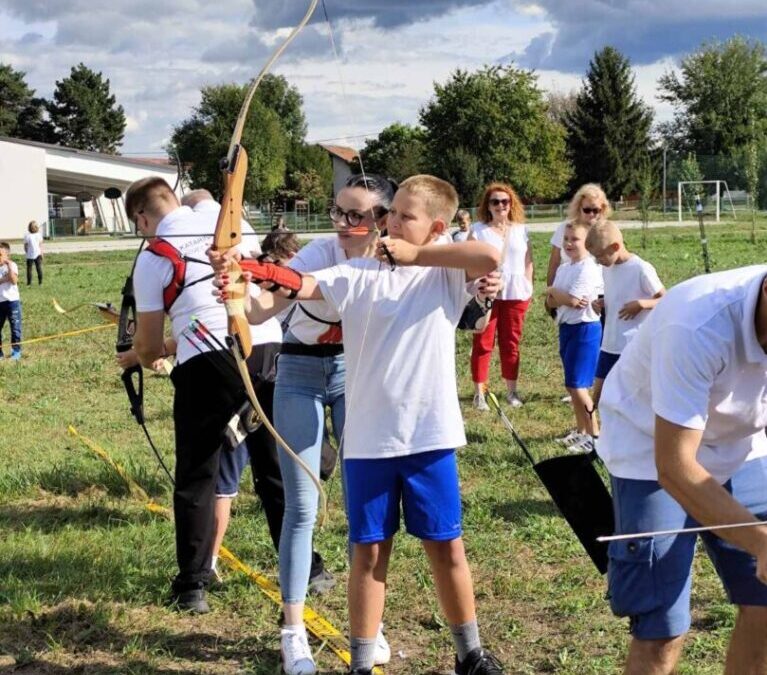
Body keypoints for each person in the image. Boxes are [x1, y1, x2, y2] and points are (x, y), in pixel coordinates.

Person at [210, 174, 506, 675]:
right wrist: (244, 272)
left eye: (404, 216)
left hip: (430, 436)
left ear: (435, 228)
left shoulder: (444, 273)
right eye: (391, 215)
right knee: (368, 553)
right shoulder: (358, 274)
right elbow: (300, 284)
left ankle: (469, 652)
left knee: (447, 547)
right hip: (369, 442)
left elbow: (489, 258)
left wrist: (416, 256)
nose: (390, 222)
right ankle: (361, 663)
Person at [124, 176, 286, 615]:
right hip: (267, 347)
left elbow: (150, 342)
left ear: (142, 216)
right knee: (272, 465)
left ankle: (192, 583)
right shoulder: (224, 217)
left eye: (139, 224)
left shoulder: (154, 255)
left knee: (198, 472)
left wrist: (145, 355)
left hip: (210, 360)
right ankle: (305, 568)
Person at [597, 265, 767, 675]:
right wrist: (762, 543)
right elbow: (674, 467)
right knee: (661, 629)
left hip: (740, 443)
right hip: (650, 447)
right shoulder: (698, 323)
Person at [585, 221, 665, 407]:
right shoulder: (608, 267)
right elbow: (617, 294)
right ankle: (592, 432)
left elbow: (665, 299)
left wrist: (641, 304)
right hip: (609, 343)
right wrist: (603, 303)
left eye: (599, 256)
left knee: (631, 396)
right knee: (598, 396)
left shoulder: (640, 269)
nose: (598, 261)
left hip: (632, 345)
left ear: (615, 247)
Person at [468, 183, 533, 410]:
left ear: (511, 204)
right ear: (488, 205)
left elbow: (528, 260)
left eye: (505, 201)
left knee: (511, 343)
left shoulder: (521, 229)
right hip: (489, 292)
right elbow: (470, 262)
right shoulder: (478, 230)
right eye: (495, 201)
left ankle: (512, 391)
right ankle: (479, 393)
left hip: (516, 294)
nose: (500, 206)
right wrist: (477, 285)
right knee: (483, 343)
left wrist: (528, 284)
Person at [545, 221, 603, 449]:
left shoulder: (588, 268)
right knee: (571, 385)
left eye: (574, 239)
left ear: (587, 243)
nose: (568, 243)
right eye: (566, 239)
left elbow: (574, 301)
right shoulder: (564, 268)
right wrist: (554, 293)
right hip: (566, 327)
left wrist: (554, 293)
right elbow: (552, 301)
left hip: (584, 330)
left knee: (579, 387)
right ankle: (581, 431)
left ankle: (594, 436)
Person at [0, 242, 22, 360]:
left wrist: (8, 268)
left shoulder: (12, 265)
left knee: (15, 327)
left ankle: (16, 351)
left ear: (7, 255)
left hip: (12, 302)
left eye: (0, 254)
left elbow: (13, 280)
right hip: (0, 303)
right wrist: (5, 279)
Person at [23, 220, 43, 286]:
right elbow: (25, 246)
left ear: (36, 227)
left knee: (38, 268)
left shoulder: (38, 235)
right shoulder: (27, 235)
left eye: (35, 227)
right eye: (32, 227)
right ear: (30, 227)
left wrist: (41, 253)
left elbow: (40, 245)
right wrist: (27, 252)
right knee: (29, 269)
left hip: (37, 254)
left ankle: (40, 282)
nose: (33, 228)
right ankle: (29, 283)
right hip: (30, 255)